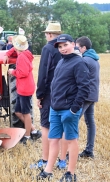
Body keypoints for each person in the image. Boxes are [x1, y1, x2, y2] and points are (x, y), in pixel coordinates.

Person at [37, 34, 90, 182]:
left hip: (69, 110)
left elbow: (84, 89)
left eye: (65, 45)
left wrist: (73, 110)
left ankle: (70, 173)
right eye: (60, 47)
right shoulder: (61, 62)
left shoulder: (79, 63)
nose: (63, 49)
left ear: (73, 44)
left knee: (71, 140)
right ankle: (48, 171)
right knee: (53, 139)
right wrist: (52, 104)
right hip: (55, 108)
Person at [31, 22, 62, 170]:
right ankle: (62, 159)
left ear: (49, 35)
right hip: (64, 93)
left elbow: (43, 74)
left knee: (45, 126)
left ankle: (45, 160)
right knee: (61, 126)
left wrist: (40, 94)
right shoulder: (66, 48)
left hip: (50, 92)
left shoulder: (48, 48)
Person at [3, 35, 41, 144]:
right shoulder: (25, 53)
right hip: (22, 87)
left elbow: (23, 73)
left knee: (26, 113)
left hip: (25, 88)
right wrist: (7, 53)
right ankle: (34, 131)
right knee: (18, 112)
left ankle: (28, 136)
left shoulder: (22, 57)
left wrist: (12, 72)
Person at [74, 36, 100, 159]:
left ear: (84, 48)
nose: (76, 49)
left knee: (73, 121)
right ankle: (89, 150)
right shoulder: (94, 59)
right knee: (90, 123)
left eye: (77, 47)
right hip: (93, 95)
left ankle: (72, 152)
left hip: (85, 95)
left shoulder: (84, 61)